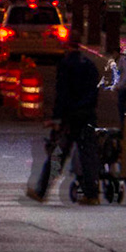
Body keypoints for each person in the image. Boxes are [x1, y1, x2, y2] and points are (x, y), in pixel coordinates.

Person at [51, 42, 103, 203]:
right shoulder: (90, 65)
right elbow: (95, 91)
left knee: (59, 152)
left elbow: (62, 93)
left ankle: (41, 188)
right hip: (87, 115)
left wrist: (57, 117)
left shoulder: (65, 65)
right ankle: (92, 194)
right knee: (88, 154)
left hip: (71, 116)